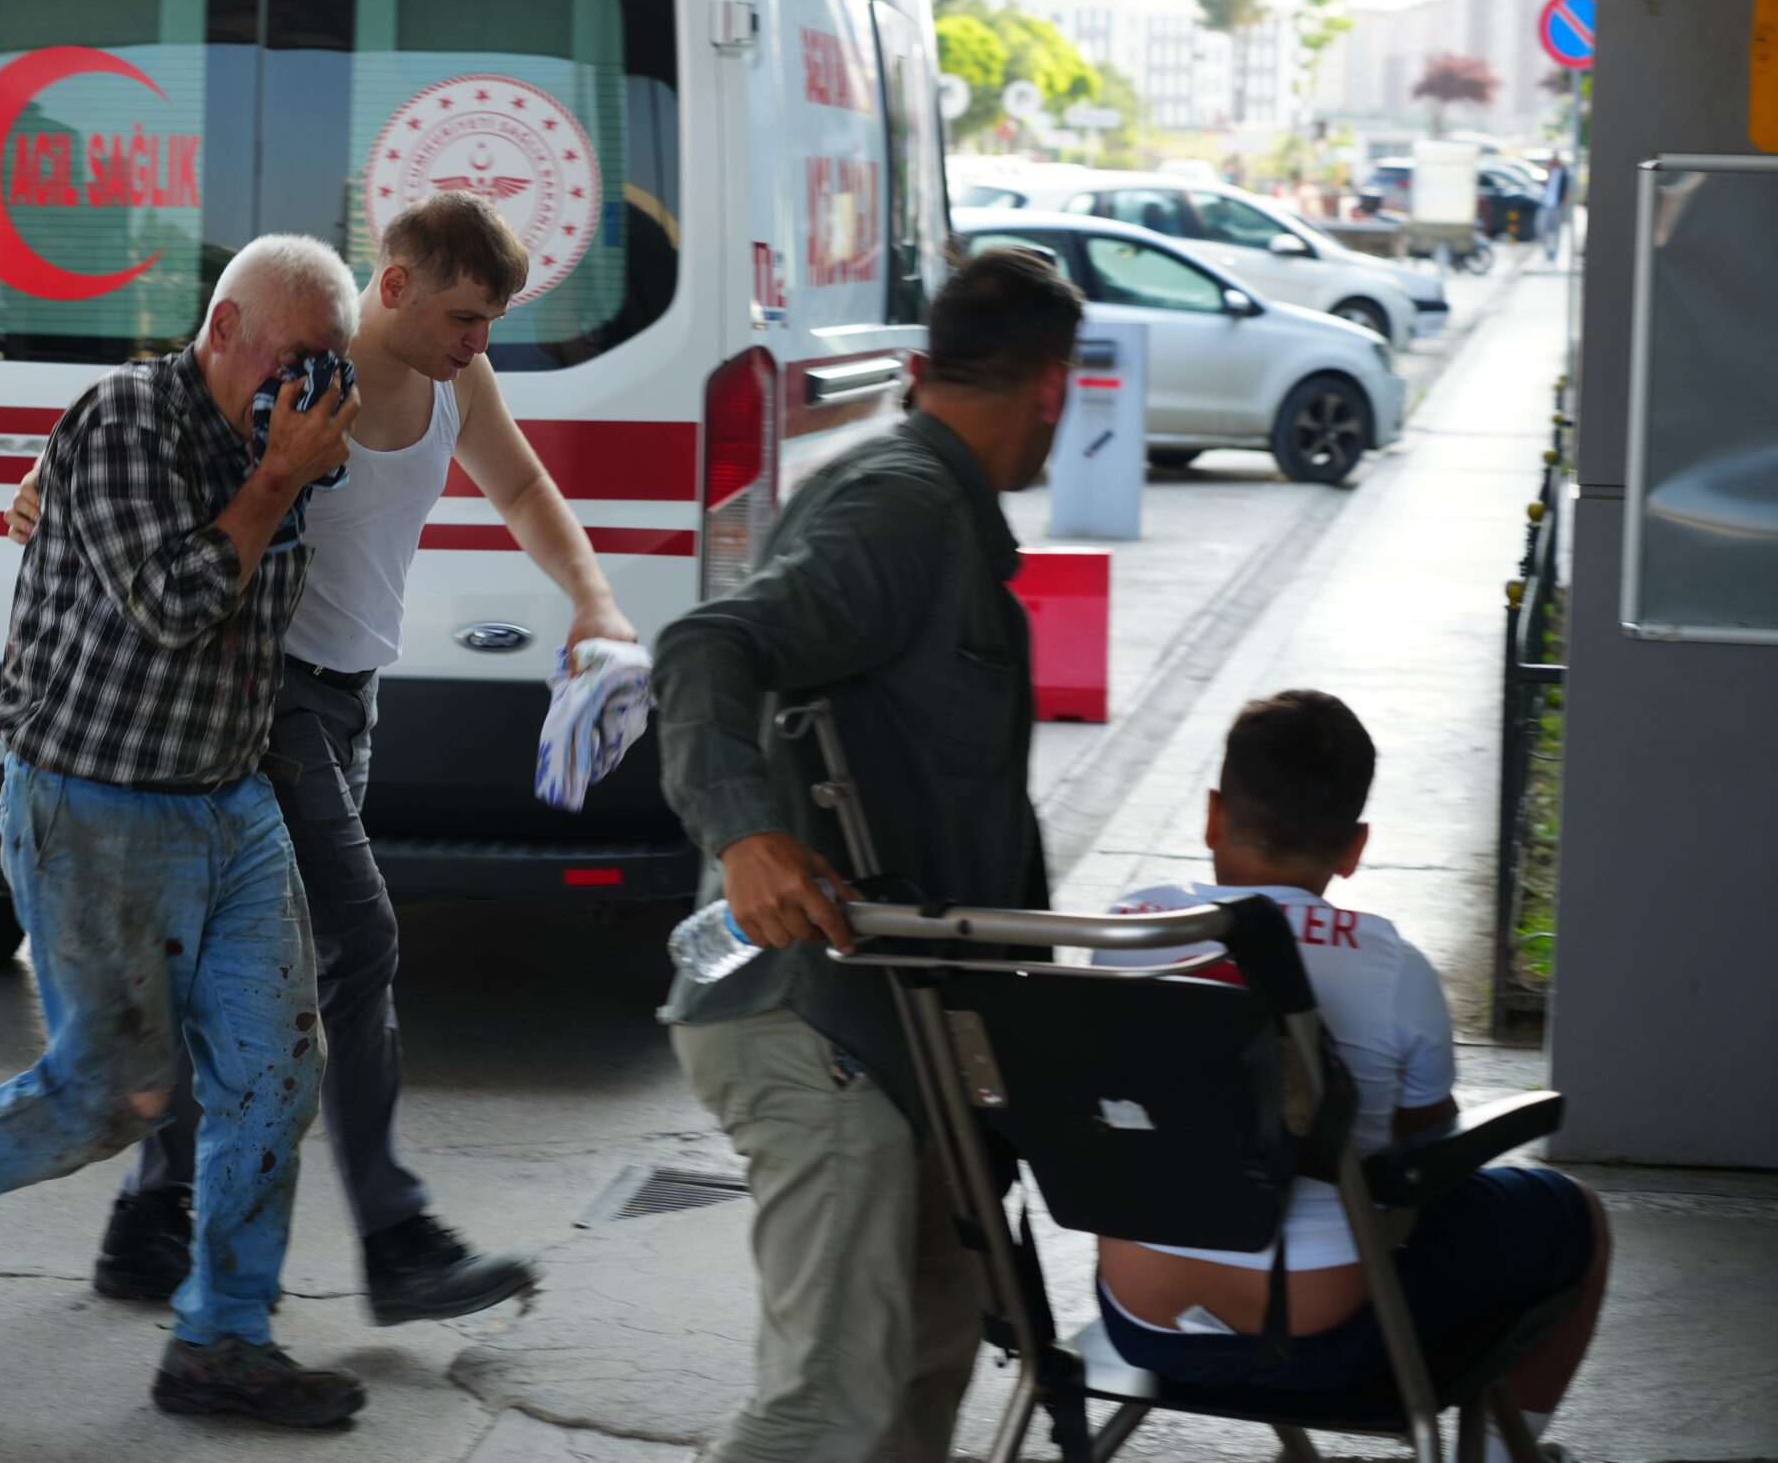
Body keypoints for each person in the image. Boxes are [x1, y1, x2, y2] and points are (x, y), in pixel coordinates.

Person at [8, 192, 638, 1324]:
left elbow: (521, 487)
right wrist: (52, 480)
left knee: (252, 966)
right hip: (271, 697)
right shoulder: (311, 370)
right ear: (394, 286)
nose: (477, 343)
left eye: (490, 323)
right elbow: (177, 407)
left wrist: (594, 601)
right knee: (358, 942)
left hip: (349, 700)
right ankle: (392, 1235)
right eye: (463, 316)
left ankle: (152, 1218)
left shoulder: (456, 381)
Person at [0, 234, 374, 1429]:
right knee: (114, 1093)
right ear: (223, 330)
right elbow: (175, 602)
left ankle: (223, 1341)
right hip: (93, 804)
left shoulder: (290, 441)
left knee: (276, 1076)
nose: (307, 386)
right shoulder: (126, 419)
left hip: (230, 801)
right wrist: (277, 477)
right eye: (291, 357)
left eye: (327, 364)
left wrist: (296, 456)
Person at [653, 244, 1083, 1463]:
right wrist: (746, 834)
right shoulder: (901, 505)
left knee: (923, 1358)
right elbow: (706, 647)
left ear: (921, 365)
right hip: (818, 1023)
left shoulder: (938, 511)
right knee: (824, 1408)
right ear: (1052, 388)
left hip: (908, 1040)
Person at [1100, 691, 1609, 1463]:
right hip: (1328, 1335)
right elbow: (1428, 1159)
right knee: (1577, 1218)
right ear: (1354, 846)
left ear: (1213, 815)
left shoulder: (1127, 929)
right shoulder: (1392, 966)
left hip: (1142, 1320)